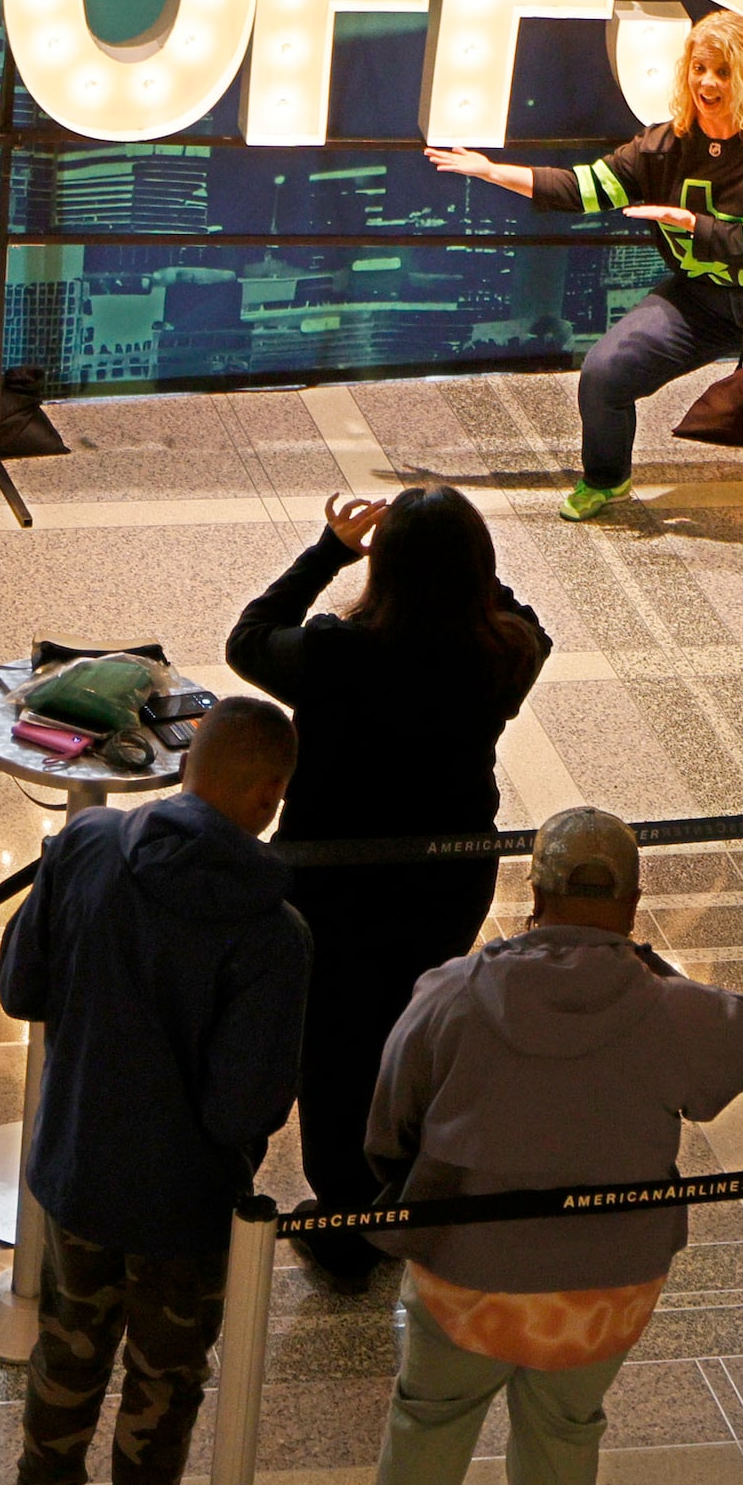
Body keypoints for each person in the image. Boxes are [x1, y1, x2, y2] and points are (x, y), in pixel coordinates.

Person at [362, 808, 743, 1485]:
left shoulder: (453, 992)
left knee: (429, 1420)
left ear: (533, 892)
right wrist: (643, 963)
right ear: (635, 905)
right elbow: (742, 1036)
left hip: (466, 1273)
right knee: (567, 1429)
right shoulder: (669, 1009)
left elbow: (390, 1125)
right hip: (605, 1289)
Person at [429, 10, 743, 556]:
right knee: (605, 372)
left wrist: (696, 226)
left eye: (722, 71)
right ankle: (606, 478)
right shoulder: (664, 145)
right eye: (699, 68)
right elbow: (584, 187)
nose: (707, 83)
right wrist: (492, 171)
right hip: (704, 303)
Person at [0, 697, 311, 1485]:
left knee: (68, 1346)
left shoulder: (88, 847)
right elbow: (245, 1105)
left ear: (187, 765)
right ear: (266, 795)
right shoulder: (274, 936)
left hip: (77, 1168)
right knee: (164, 1380)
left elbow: (19, 989)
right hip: (185, 1206)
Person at [226, 485, 551, 1292]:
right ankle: (402, 1190)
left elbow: (250, 638)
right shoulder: (508, 649)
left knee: (333, 1047)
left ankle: (345, 1226)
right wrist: (472, 574)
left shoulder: (339, 657)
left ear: (388, 570)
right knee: (413, 1024)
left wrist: (331, 549)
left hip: (335, 882)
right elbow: (524, 613)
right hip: (447, 877)